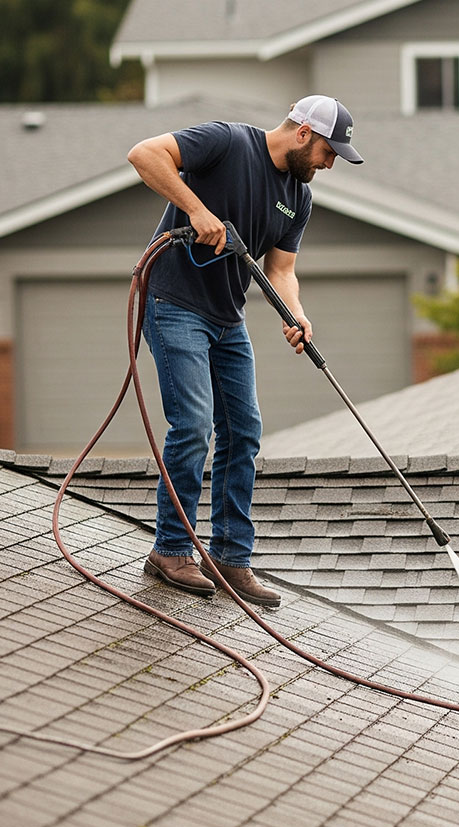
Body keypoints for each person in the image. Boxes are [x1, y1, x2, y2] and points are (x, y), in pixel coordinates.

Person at [127, 95, 364, 608]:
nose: (329, 162)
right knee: (193, 423)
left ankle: (231, 559)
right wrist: (196, 209)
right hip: (173, 302)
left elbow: (280, 271)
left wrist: (294, 312)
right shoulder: (228, 142)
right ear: (303, 133)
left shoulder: (298, 198)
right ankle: (169, 550)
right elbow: (144, 154)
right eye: (328, 150)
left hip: (226, 318)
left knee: (244, 429)